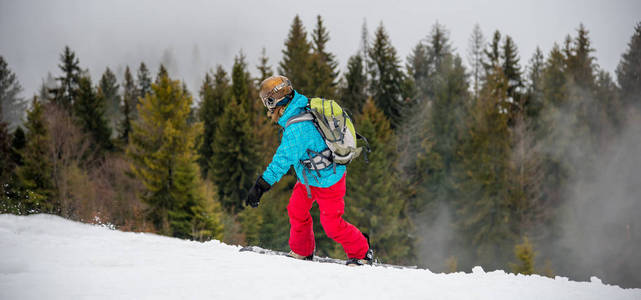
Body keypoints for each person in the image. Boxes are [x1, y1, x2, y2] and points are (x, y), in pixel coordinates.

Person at [245, 75, 373, 266]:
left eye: (268, 102)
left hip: (330, 180)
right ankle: (302, 250)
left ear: (275, 102)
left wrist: (260, 186)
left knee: (332, 225)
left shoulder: (297, 128)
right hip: (309, 178)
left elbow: (282, 160)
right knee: (296, 210)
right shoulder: (301, 105)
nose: (268, 110)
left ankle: (362, 252)